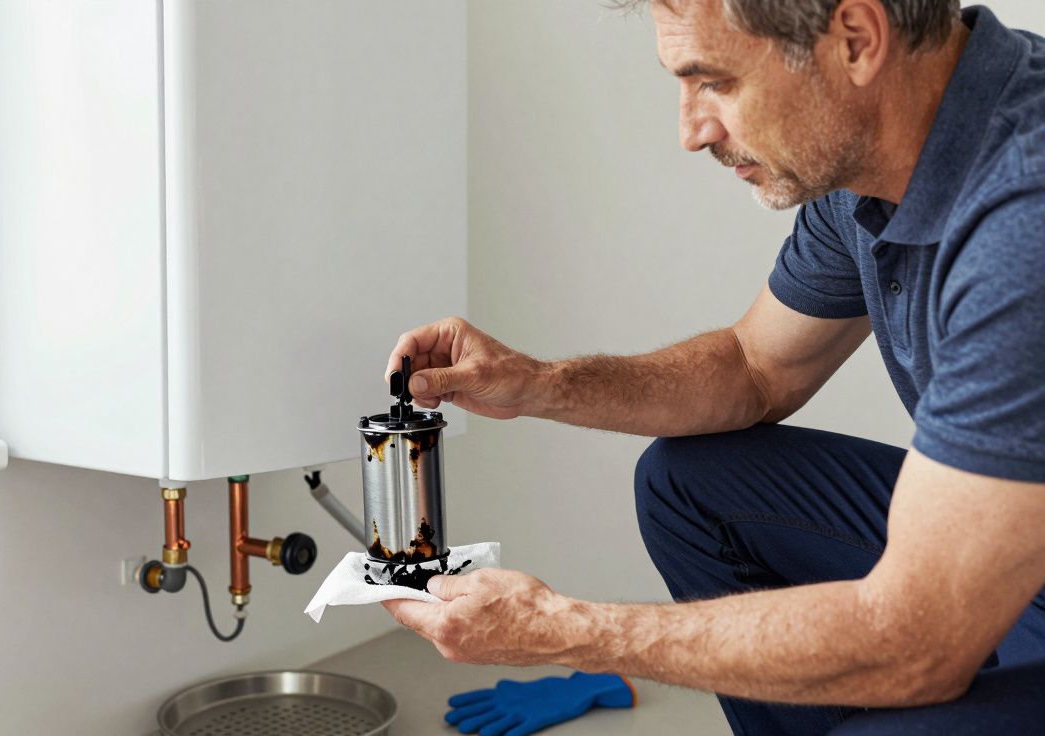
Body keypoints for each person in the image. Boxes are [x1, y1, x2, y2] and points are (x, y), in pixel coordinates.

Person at [380, 1, 1045, 733]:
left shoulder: (1023, 222)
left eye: (715, 82)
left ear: (856, 41)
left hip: (983, 603)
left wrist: (562, 629)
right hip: (1015, 551)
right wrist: (536, 383)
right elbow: (755, 369)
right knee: (687, 484)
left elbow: (918, 642)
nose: (691, 132)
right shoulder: (874, 169)